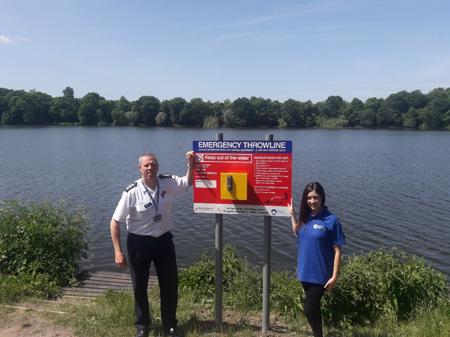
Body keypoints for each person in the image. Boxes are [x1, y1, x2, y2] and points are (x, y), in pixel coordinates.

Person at [110, 151, 195, 337]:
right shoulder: (131, 192)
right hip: (138, 243)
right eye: (146, 165)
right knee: (140, 286)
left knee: (170, 285)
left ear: (158, 167)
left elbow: (188, 181)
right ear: (139, 168)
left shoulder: (168, 182)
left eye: (153, 164)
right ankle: (142, 326)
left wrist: (191, 164)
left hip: (164, 241)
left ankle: (170, 326)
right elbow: (115, 222)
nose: (150, 168)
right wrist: (118, 252)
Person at [288, 182, 345, 337]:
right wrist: (293, 214)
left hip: (320, 275)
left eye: (315, 197)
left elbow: (338, 250)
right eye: (309, 198)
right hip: (305, 272)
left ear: (322, 198)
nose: (312, 201)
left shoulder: (331, 220)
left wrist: (334, 276)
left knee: (309, 308)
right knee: (314, 308)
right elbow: (297, 232)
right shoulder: (305, 218)